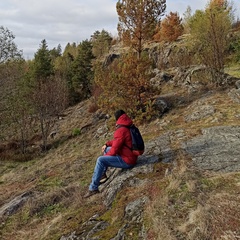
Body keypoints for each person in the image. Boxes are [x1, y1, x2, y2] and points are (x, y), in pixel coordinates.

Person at [83, 110, 138, 198]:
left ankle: (93, 188)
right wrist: (107, 144)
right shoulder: (128, 125)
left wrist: (105, 157)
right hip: (131, 155)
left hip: (128, 160)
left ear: (117, 118)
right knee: (107, 149)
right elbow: (118, 142)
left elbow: (115, 150)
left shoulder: (121, 130)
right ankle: (102, 175)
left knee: (100, 160)